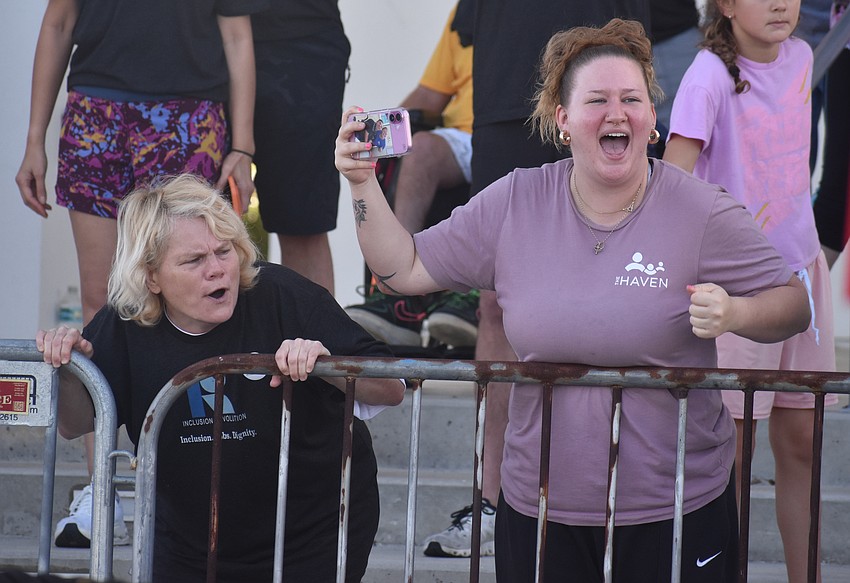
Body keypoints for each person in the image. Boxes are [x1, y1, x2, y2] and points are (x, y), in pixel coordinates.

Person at [337, 17, 811, 581]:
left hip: (676, 507)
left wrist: (737, 314)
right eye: (597, 100)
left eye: (632, 99)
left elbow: (792, 302)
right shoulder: (517, 199)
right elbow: (403, 268)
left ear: (651, 118)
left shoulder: (699, 210)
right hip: (540, 507)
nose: (617, 113)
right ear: (562, 120)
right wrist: (363, 185)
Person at [35, 174, 404, 582]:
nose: (217, 271)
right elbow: (75, 424)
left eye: (224, 252)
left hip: (313, 531)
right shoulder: (126, 320)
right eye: (194, 260)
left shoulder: (280, 293)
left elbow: (391, 388)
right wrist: (67, 367)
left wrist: (328, 364)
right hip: (189, 542)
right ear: (151, 276)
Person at [14, 0, 263, 548]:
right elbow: (57, 22)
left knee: (195, 290)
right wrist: (34, 136)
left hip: (189, 113)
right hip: (95, 109)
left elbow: (238, 34)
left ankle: (194, 478)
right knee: (100, 301)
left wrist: (241, 144)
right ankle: (101, 487)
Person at [414, 0, 651, 560]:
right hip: (505, 91)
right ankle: (493, 500)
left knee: (623, 287)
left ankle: (614, 496)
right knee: (496, 303)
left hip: (605, 81)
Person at [663, 1, 838, 581]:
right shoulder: (707, 74)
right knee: (732, 458)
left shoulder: (805, 56)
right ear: (727, 4)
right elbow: (675, 186)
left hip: (802, 278)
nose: (782, 3)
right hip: (738, 288)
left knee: (802, 447)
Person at [344, 1, 479, 350]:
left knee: (503, 157)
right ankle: (397, 295)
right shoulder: (470, 10)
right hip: (465, 135)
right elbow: (430, 95)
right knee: (419, 149)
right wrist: (375, 133)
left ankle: (478, 297)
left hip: (527, 133)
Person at [251, 0, 350, 294]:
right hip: (199, 38)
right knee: (189, 215)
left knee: (302, 223)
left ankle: (315, 337)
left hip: (301, 43)